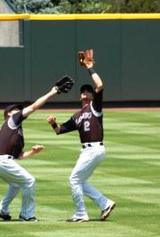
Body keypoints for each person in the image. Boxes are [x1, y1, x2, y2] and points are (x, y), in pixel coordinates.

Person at [0, 76, 73, 222]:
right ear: (9, 114)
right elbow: (35, 106)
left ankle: (2, 211)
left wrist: (33, 152)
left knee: (16, 184)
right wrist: (53, 91)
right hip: (2, 162)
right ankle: (26, 215)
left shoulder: (15, 131)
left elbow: (19, 156)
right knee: (29, 181)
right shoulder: (12, 120)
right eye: (15, 110)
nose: (19, 111)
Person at [47, 49, 116, 222]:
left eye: (88, 91)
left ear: (92, 96)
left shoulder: (95, 108)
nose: (85, 93)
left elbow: (100, 85)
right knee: (80, 181)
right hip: (87, 152)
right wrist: (53, 123)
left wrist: (90, 68)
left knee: (74, 179)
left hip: (95, 149)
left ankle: (80, 213)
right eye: (82, 91)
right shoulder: (77, 115)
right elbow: (59, 131)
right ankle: (105, 203)